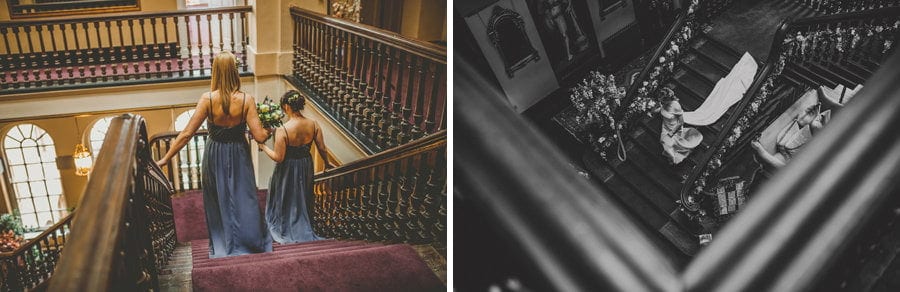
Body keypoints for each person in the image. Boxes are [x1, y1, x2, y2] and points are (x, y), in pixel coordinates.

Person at [156, 51, 272, 258]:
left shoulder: (208, 99)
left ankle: (224, 242)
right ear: (235, 72)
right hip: (239, 152)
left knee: (218, 198)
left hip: (215, 153)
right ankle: (250, 241)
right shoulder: (246, 100)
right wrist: (269, 129)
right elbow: (260, 137)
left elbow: (185, 135)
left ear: (216, 72)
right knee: (244, 196)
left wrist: (165, 159)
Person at [258, 90, 333, 243]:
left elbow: (278, 158)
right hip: (306, 165)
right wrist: (326, 163)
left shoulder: (283, 130)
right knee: (303, 195)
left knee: (285, 196)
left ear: (286, 106)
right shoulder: (313, 124)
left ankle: (286, 225)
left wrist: (263, 146)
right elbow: (322, 148)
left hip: (287, 168)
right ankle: (303, 224)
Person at [659, 88, 703, 165]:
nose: (662, 103)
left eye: (664, 100)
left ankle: (674, 158)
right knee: (663, 141)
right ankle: (672, 154)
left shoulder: (676, 106)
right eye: (662, 101)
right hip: (665, 126)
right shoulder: (663, 103)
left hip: (674, 128)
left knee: (667, 142)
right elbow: (662, 110)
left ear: (669, 98)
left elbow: (681, 122)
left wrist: (672, 133)